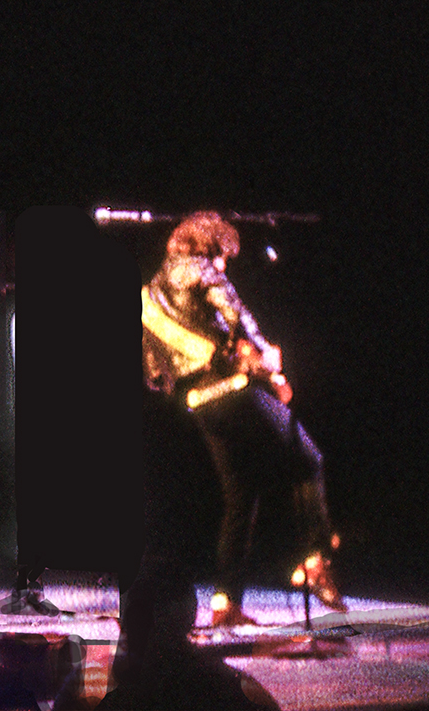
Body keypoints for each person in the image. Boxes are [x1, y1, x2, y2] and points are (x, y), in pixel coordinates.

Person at [141, 212, 339, 628]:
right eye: (224, 256)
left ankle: (225, 602)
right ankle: (316, 558)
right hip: (232, 389)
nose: (225, 264)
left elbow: (154, 372)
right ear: (210, 247)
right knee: (308, 460)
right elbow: (236, 316)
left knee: (239, 497)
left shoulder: (150, 292)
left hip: (198, 402)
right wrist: (270, 363)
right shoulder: (202, 270)